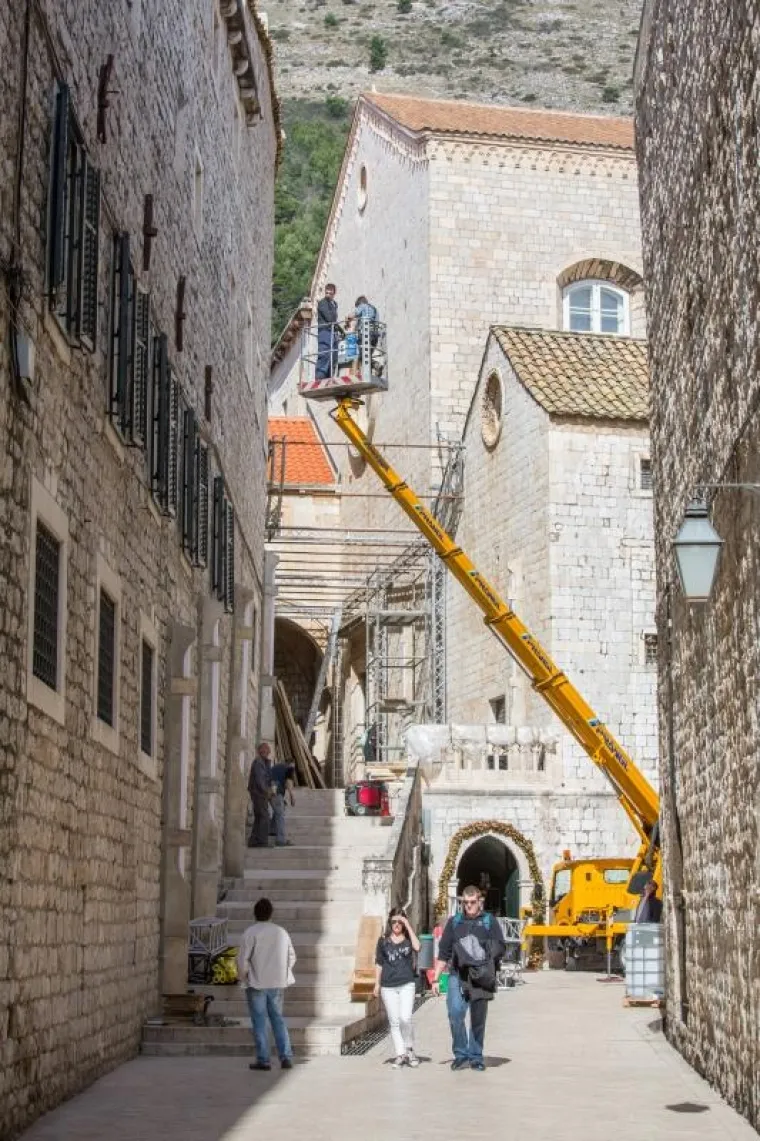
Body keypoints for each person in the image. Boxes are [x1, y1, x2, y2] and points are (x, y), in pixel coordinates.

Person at [432, 885, 506, 1071]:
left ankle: (475, 1056)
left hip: (481, 976)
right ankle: (460, 1053)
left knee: (478, 1018)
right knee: (455, 1012)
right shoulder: (454, 922)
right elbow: (443, 952)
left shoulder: (489, 922)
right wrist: (435, 979)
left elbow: (501, 947)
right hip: (458, 974)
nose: (469, 906)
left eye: (472, 902)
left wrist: (483, 953)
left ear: (480, 901)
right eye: (465, 903)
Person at [237, 897, 296, 1071]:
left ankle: (263, 1060)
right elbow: (292, 956)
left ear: (255, 913)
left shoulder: (250, 932)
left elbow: (242, 960)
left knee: (259, 1022)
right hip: (277, 982)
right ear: (271, 914)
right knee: (278, 1019)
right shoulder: (281, 932)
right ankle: (286, 1057)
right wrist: (283, 972)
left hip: (256, 982)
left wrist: (244, 977)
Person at [374, 908, 421, 1068]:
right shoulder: (383, 941)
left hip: (407, 983)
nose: (396, 924)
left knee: (405, 1018)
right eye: (394, 921)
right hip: (388, 986)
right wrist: (377, 984)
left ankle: (410, 1049)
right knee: (394, 1021)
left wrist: (407, 924)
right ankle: (400, 1053)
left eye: (400, 921)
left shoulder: (408, 940)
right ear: (389, 922)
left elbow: (418, 947)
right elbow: (379, 963)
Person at [247, 742, 273, 848]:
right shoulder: (258, 762)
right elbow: (260, 780)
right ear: (260, 751)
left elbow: (266, 777)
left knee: (259, 817)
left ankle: (254, 840)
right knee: (264, 816)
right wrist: (266, 791)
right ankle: (262, 841)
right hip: (259, 793)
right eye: (265, 750)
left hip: (259, 793)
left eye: (268, 750)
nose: (267, 752)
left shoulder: (263, 762)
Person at [316, 283, 340, 379]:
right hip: (324, 331)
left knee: (333, 356)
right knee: (324, 354)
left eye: (330, 293)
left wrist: (340, 330)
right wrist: (338, 327)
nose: (328, 295)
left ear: (334, 293)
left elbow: (333, 320)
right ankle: (320, 377)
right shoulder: (322, 303)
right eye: (327, 292)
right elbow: (329, 318)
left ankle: (329, 377)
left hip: (332, 332)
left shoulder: (334, 304)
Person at [268, 759, 295, 847]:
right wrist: (292, 796)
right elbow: (288, 782)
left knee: (279, 810)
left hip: (269, 791)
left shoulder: (276, 767)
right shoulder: (290, 768)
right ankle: (281, 840)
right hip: (276, 792)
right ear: (291, 763)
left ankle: (272, 830)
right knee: (280, 815)